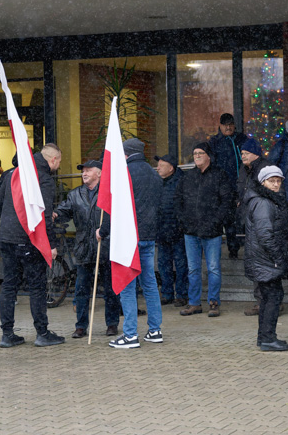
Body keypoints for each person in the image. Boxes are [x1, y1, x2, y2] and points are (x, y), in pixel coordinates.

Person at [0, 144, 64, 347]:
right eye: (59, 161)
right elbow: (45, 216)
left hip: (6, 237)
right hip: (28, 239)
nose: (59, 165)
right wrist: (51, 244)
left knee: (9, 285)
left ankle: (7, 334)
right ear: (52, 160)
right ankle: (42, 332)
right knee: (37, 285)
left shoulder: (12, 174)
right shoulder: (44, 179)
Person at [102, 138, 163, 349]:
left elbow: (116, 207)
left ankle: (130, 335)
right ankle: (155, 330)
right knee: (149, 283)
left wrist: (103, 230)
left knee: (127, 284)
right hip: (148, 235)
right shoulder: (155, 175)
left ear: (125, 154)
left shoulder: (124, 174)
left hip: (128, 236)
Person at [54, 160, 121, 337]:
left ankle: (112, 323)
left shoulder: (108, 193)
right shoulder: (75, 194)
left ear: (99, 173)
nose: (84, 173)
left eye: (88, 171)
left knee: (110, 289)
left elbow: (117, 216)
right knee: (82, 288)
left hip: (105, 246)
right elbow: (64, 211)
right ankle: (81, 326)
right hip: (84, 246)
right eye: (83, 171)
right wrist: (54, 214)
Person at [176, 142, 233, 317]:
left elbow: (226, 202)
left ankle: (213, 302)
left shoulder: (219, 175)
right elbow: (178, 201)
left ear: (208, 155)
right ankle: (194, 303)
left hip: (212, 231)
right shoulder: (188, 176)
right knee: (193, 269)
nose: (197, 156)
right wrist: (184, 222)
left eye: (201, 153)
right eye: (194, 153)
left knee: (213, 268)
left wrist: (216, 222)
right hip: (191, 231)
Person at [244, 166, 288, 351]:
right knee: (272, 298)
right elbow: (265, 234)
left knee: (268, 298)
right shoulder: (264, 203)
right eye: (271, 181)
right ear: (262, 182)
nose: (275, 184)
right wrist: (279, 258)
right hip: (266, 260)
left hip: (263, 259)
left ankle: (264, 337)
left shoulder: (265, 200)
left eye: (278, 181)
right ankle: (267, 338)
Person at [237, 137, 270, 316]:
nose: (243, 156)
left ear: (255, 153)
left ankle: (269, 301)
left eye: (246, 153)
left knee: (265, 262)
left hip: (263, 222)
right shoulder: (245, 169)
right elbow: (241, 190)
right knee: (256, 262)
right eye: (241, 153)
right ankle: (261, 300)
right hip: (249, 221)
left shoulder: (266, 169)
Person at [208, 113, 246, 258]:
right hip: (222, 187)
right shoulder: (214, 142)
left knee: (236, 220)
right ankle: (224, 250)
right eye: (225, 125)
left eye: (230, 124)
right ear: (220, 126)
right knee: (224, 220)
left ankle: (235, 248)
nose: (228, 127)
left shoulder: (241, 139)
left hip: (241, 185)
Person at [154, 153, 188, 307]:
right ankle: (167, 293)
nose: (158, 168)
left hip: (178, 230)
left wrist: (182, 225)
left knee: (181, 264)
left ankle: (181, 294)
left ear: (171, 168)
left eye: (161, 165)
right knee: (163, 264)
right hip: (162, 230)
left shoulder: (182, 182)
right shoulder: (158, 182)